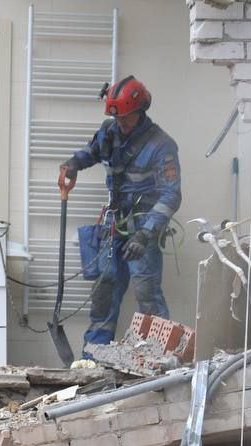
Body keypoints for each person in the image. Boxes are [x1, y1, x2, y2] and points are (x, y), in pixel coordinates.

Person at [59, 76, 181, 357]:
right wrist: (74, 163)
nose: (121, 125)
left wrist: (146, 233)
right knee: (105, 288)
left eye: (125, 119)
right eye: (117, 119)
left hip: (143, 227)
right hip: (113, 224)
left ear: (140, 112)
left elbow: (171, 194)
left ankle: (158, 358)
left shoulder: (162, 145)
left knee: (146, 294)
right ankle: (94, 357)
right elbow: (92, 151)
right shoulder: (110, 131)